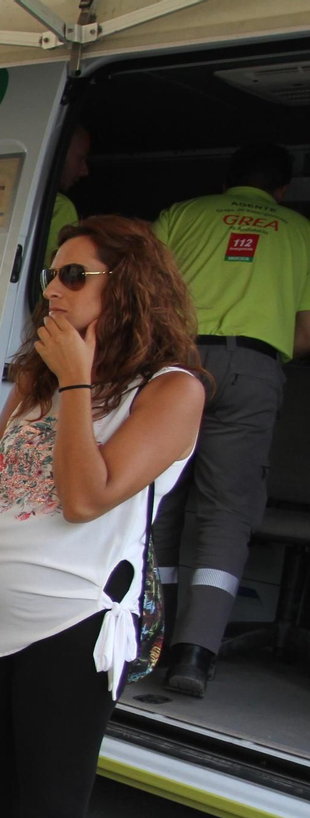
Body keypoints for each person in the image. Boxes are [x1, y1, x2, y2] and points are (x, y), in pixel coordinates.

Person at [0, 216, 205, 818]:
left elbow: (86, 495)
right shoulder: (35, 381)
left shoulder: (170, 389)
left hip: (69, 629)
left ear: (129, 285)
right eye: (51, 274)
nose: (53, 289)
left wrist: (77, 379)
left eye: (74, 276)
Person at [151, 142, 310, 697]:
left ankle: (148, 639)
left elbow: (143, 294)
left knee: (160, 500)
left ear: (228, 183)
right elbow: (306, 332)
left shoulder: (182, 215)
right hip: (254, 371)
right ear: (282, 190)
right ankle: (194, 655)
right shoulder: (299, 231)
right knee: (227, 515)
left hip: (177, 361)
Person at [45, 126, 91, 266]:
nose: (85, 170)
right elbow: (64, 272)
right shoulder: (60, 207)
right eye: (80, 158)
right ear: (60, 153)